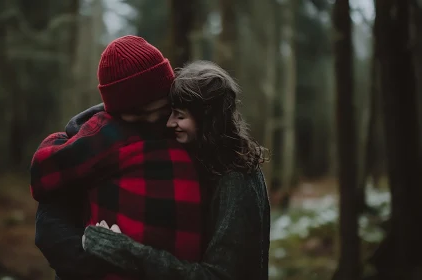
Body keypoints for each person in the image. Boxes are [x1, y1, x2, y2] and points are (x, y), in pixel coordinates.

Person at [31, 36, 209, 279]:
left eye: (162, 109)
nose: (156, 121)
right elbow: (45, 171)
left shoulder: (188, 129)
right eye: (141, 114)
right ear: (117, 112)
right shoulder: (105, 137)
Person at [81, 60, 271, 280]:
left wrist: (123, 251)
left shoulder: (236, 180)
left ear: (208, 120)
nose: (170, 123)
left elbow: (220, 275)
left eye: (180, 116)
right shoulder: (205, 160)